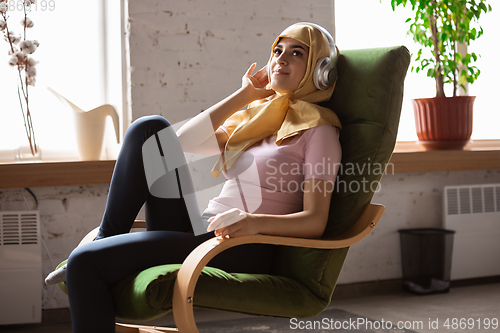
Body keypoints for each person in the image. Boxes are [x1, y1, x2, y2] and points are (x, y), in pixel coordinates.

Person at [46, 22, 342, 333]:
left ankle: (92, 255)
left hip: (241, 244)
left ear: (321, 70)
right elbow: (181, 142)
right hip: (202, 229)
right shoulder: (261, 117)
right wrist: (244, 95)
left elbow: (315, 219)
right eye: (277, 51)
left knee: (84, 262)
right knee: (150, 129)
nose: (281, 59)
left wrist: (254, 222)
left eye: (296, 53)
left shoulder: (319, 132)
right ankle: (107, 236)